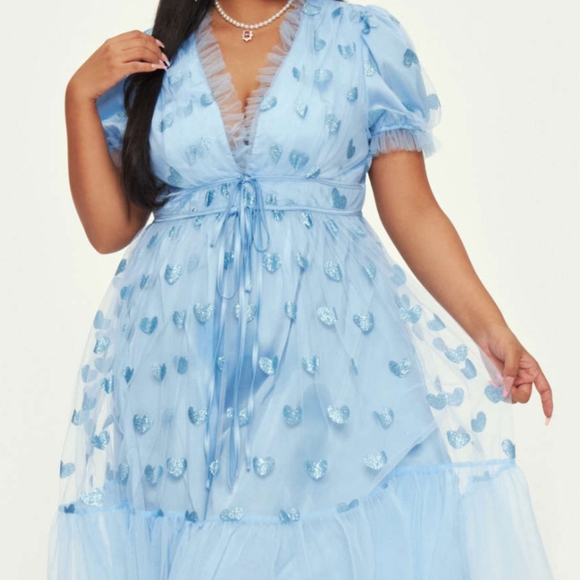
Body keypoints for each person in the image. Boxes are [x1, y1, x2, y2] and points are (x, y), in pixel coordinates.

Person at [48, 0, 555, 578]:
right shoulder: (152, 55)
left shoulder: (361, 39)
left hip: (326, 351)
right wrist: (78, 97)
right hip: (182, 372)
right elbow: (110, 229)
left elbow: (412, 209)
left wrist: (492, 328)